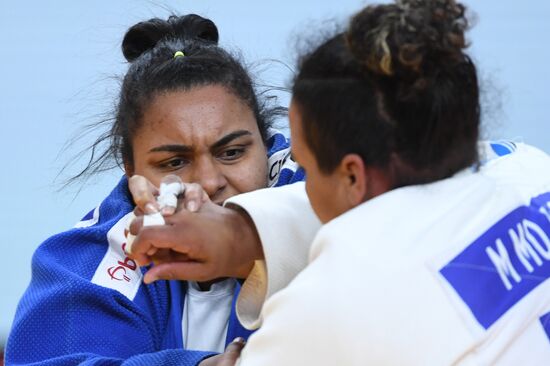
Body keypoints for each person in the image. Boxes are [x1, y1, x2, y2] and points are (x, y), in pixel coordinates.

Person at [127, 0, 550, 364]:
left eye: (304, 163)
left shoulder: (331, 309)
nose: (297, 182)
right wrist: (241, 231)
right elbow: (408, 215)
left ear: (351, 175)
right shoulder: (531, 170)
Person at [5, 14, 304, 366]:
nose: (208, 182)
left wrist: (250, 238)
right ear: (130, 170)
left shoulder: (325, 190)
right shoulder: (83, 262)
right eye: (174, 163)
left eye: (233, 152)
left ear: (264, 143)